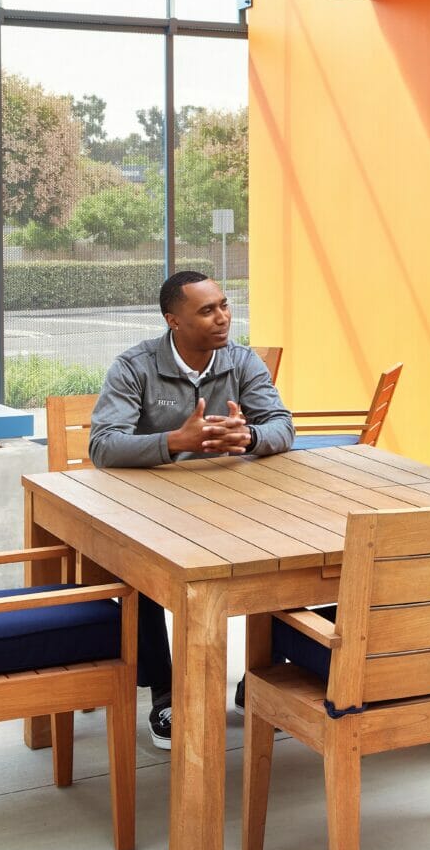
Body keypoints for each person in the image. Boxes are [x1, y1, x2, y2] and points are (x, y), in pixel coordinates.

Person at [87, 271, 292, 748]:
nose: (222, 317)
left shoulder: (242, 361)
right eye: (207, 310)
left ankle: (260, 679)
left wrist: (251, 437)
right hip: (152, 509)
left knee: (287, 559)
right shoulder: (134, 366)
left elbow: (282, 424)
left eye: (223, 305)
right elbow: (102, 446)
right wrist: (175, 441)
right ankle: (165, 695)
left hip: (234, 505)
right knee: (139, 577)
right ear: (173, 321)